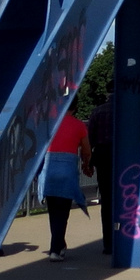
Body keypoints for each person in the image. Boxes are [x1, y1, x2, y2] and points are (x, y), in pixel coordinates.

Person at [43, 111, 92, 262]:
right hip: (67, 172)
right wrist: (86, 164)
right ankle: (55, 249)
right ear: (76, 108)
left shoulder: (48, 123)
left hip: (49, 171)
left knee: (53, 212)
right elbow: (86, 149)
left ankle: (59, 244)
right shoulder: (79, 125)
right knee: (62, 212)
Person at [86, 98, 114, 254]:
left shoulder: (97, 111)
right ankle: (124, 237)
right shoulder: (125, 110)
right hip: (122, 155)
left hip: (102, 155)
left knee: (106, 199)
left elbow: (90, 138)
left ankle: (108, 243)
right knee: (125, 197)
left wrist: (88, 162)